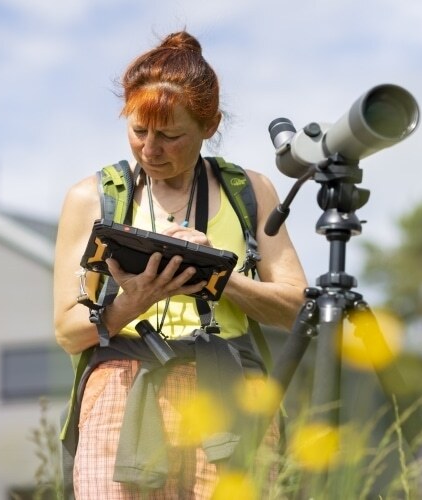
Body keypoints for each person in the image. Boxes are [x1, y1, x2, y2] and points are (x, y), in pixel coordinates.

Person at [52, 30, 307, 498]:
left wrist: (214, 275)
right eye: (138, 131)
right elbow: (69, 332)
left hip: (229, 386)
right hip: (120, 387)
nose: (151, 149)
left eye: (170, 135)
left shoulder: (251, 191)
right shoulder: (92, 198)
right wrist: (132, 303)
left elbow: (296, 310)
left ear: (210, 127)